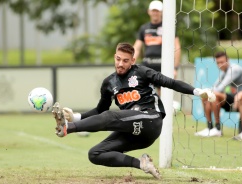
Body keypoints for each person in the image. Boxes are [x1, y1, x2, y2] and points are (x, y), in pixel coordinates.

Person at [52, 42, 215, 179]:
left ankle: (67, 128)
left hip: (151, 119)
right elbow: (100, 110)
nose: (120, 64)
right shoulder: (109, 83)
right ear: (114, 57)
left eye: (125, 60)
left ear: (132, 61)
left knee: (111, 116)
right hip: (134, 132)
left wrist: (197, 92)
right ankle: (142, 164)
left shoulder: (142, 72)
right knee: (95, 154)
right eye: (118, 59)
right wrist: (76, 116)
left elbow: (170, 83)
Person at [195, 52, 242, 137]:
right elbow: (215, 85)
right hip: (234, 97)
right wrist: (207, 93)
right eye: (218, 63)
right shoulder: (224, 72)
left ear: (228, 60)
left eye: (222, 62)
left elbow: (221, 86)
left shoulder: (234, 69)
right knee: (205, 97)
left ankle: (217, 129)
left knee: (215, 95)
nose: (220, 65)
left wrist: (211, 92)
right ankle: (209, 128)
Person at [133, 0, 181, 80]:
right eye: (153, 11)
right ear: (149, 12)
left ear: (162, 12)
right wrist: (131, 63)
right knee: (144, 89)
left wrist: (175, 68)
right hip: (147, 64)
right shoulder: (144, 28)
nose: (155, 13)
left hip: (163, 65)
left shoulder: (168, 27)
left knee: (163, 90)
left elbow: (177, 47)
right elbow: (137, 48)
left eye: (157, 11)